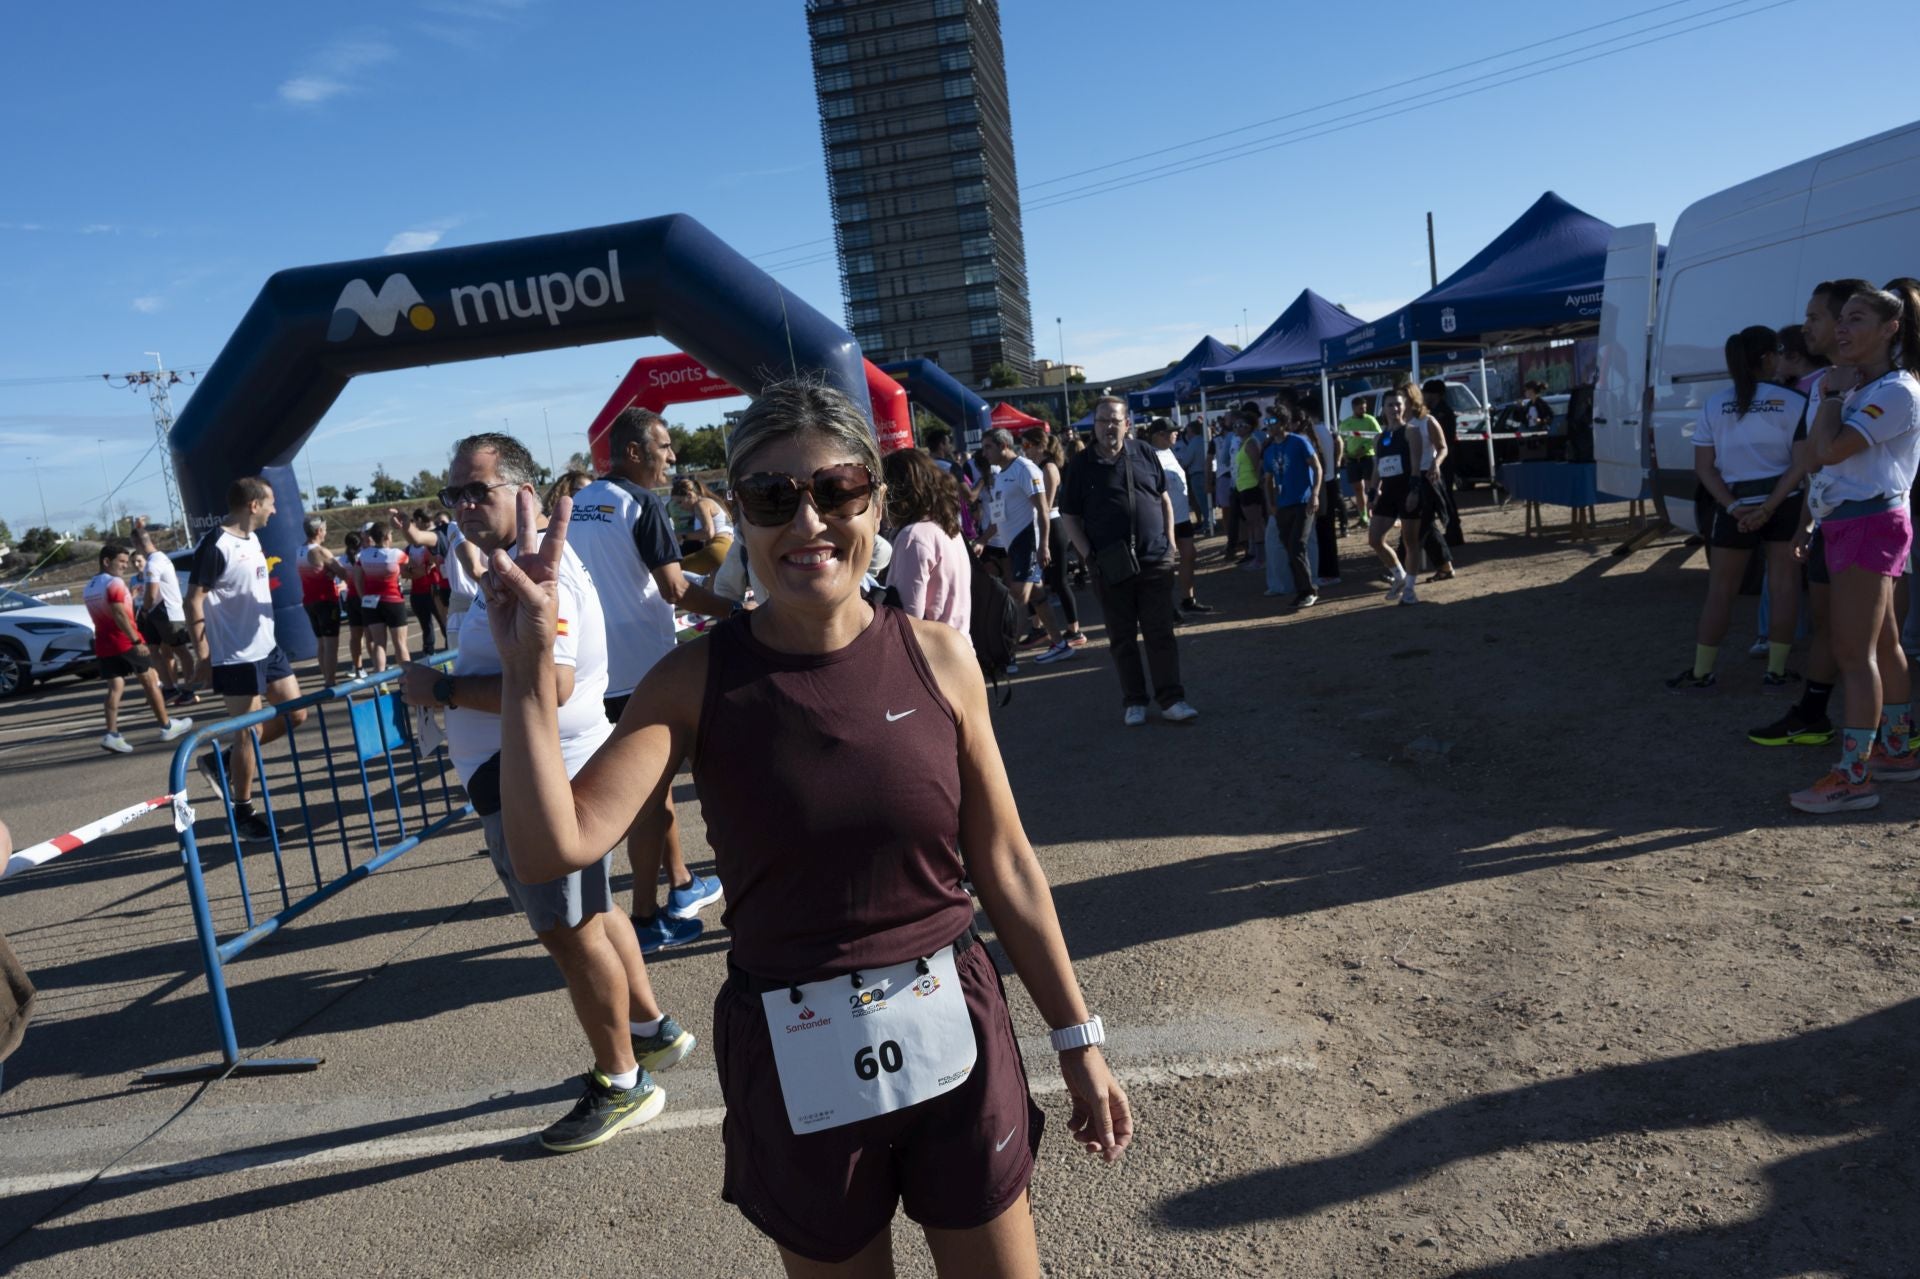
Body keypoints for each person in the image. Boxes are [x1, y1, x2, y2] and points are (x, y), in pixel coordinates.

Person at [482, 379, 1131, 1270]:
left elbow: (1007, 863)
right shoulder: (693, 680)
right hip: (794, 1053)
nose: (808, 523)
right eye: (772, 497)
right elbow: (552, 845)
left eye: (835, 491)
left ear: (874, 497)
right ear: (737, 514)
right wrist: (525, 674)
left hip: (956, 1032)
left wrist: (1077, 1036)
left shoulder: (939, 654)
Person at [401, 431, 695, 1151]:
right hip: (533, 775)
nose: (465, 504)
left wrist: (437, 687)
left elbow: (551, 681)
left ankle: (622, 1080)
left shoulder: (545, 574)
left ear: (524, 494)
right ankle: (652, 1030)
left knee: (570, 933)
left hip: (536, 780)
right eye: (456, 492)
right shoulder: (512, 568)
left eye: (481, 489)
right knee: (595, 915)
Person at [568, 407, 731, 951]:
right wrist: (740, 613)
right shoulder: (641, 502)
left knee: (651, 795)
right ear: (635, 452)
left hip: (596, 674)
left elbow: (627, 574)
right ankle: (643, 918)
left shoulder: (581, 501)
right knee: (645, 798)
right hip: (645, 671)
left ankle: (681, 885)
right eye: (664, 447)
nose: (673, 458)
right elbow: (674, 591)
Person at [1788, 283, 1920, 813]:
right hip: (1854, 520)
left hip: (1870, 522)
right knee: (1883, 644)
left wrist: (1832, 398)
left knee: (1853, 653)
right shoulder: (1868, 386)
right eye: (1840, 319)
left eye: (1856, 319)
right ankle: (1896, 751)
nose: (1841, 329)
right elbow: (1812, 453)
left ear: (1891, 329)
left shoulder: (1894, 391)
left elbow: (1825, 452)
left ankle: (1853, 776)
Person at [1665, 326, 1808, 692]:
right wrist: (1769, 507)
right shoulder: (1794, 402)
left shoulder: (1716, 403)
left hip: (1733, 507)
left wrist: (1733, 508)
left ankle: (1701, 672)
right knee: (1783, 586)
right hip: (1785, 502)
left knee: (1721, 590)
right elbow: (1801, 465)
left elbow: (1704, 467)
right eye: (1777, 351)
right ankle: (1776, 671)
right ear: (1767, 358)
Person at [1061, 396, 1199, 726]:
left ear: (1127, 424)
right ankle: (1135, 700)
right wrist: (1089, 556)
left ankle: (1172, 699)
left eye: (1114, 420)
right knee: (1122, 637)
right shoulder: (1081, 465)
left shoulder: (1144, 453)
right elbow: (1069, 515)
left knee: (1160, 632)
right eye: (1102, 420)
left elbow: (1163, 499)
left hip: (1154, 559)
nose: (1108, 426)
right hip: (1110, 565)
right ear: (1093, 425)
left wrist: (1168, 544)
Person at [186, 477, 310, 842]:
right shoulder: (216, 544)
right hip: (236, 656)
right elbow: (193, 600)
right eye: (270, 503)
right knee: (248, 734)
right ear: (253, 505)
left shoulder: (253, 538)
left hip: (267, 648)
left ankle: (222, 761)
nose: (275, 509)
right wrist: (204, 655)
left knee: (296, 713)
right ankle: (242, 812)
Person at [86, 542, 194, 754]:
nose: (125, 566)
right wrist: (136, 640)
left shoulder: (91, 585)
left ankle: (112, 733)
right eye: (122, 562)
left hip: (105, 643)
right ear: (107, 562)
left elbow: (110, 608)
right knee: (151, 680)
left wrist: (131, 597)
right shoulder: (114, 582)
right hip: (125, 641)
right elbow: (118, 613)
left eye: (127, 562)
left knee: (115, 688)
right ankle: (167, 726)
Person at [979, 428, 1061, 655]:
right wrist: (982, 540)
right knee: (1038, 597)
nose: (984, 453)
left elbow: (1043, 509)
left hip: (1028, 543)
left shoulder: (1024, 469)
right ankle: (1060, 643)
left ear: (1004, 445)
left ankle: (1008, 655)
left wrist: (1043, 544)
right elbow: (999, 515)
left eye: (988, 447)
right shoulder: (999, 473)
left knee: (1018, 597)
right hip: (1012, 546)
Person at [1367, 385, 1446, 606]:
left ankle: (1410, 589)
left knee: (1411, 542)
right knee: (1374, 539)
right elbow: (1377, 469)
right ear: (1383, 409)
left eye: (1398, 404)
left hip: (1408, 489)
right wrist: (1373, 492)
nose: (1394, 409)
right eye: (1390, 405)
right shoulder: (1379, 438)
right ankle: (1399, 575)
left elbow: (1414, 466)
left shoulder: (1411, 431)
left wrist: (1413, 491)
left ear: (1405, 407)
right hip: (1388, 492)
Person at [882, 447, 972, 633]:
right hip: (959, 649)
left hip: (931, 656)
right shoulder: (946, 527)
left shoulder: (913, 536)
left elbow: (908, 617)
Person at [1021, 427, 1090, 660]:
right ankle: (1039, 627)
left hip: (1053, 526)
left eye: (1027, 445)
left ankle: (1074, 629)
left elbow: (1046, 506)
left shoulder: (1049, 467)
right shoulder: (1038, 467)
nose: (1024, 449)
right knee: (1042, 580)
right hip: (1044, 527)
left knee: (1059, 581)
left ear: (1040, 445)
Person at [1145, 418, 1212, 616]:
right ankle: (1167, 606)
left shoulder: (1169, 452)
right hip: (1163, 520)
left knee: (1189, 556)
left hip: (1181, 517)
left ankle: (1187, 599)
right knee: (1166, 565)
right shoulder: (1150, 456)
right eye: (1172, 431)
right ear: (1159, 435)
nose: (1176, 434)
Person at [1261, 408, 1323, 608]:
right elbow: (1268, 479)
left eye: (1272, 420)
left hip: (1303, 501)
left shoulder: (1299, 442)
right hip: (1283, 505)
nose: (1268, 424)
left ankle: (1309, 590)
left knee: (1298, 545)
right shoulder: (1269, 449)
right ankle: (1301, 589)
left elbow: (1317, 467)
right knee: (1289, 547)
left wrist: (1315, 494)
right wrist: (1270, 503)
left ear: (1282, 422)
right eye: (1267, 420)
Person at [131, 517, 195, 704]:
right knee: (153, 650)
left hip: (166, 611)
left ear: (137, 544)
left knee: (181, 651)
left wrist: (143, 610)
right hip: (156, 613)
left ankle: (190, 689)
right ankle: (169, 688)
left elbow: (152, 593)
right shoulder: (159, 558)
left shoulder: (154, 563)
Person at [298, 516, 350, 687]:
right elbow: (343, 573)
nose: (326, 532)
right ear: (319, 531)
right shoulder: (321, 551)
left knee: (321, 642)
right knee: (331, 643)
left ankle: (327, 677)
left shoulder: (299, 550)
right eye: (325, 529)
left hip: (309, 601)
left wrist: (330, 572)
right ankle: (330, 681)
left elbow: (319, 571)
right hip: (325, 601)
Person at [356, 522, 411, 672]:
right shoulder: (396, 554)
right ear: (387, 536)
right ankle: (407, 678)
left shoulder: (363, 555)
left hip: (370, 602)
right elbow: (408, 569)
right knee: (400, 643)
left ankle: (381, 682)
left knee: (379, 643)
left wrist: (363, 597)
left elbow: (357, 578)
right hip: (393, 600)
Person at [1304, 398, 1343, 583]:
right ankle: (1330, 571)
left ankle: (1327, 572)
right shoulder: (1325, 430)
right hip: (1328, 482)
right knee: (1326, 531)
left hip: (1321, 486)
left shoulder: (1313, 433)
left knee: (1322, 532)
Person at [672, 476, 736, 576]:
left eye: (680, 502)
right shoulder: (708, 502)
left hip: (718, 549)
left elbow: (708, 533)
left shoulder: (701, 504)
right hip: (727, 550)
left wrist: (683, 536)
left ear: (689, 495)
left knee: (673, 572)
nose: (680, 507)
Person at [1232, 407, 1268, 568]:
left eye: (1242, 425)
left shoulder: (1251, 443)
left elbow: (1257, 465)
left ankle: (1260, 557)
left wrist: (1260, 485)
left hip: (1251, 487)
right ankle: (1255, 554)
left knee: (1256, 522)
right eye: (1236, 425)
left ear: (1250, 427)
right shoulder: (1243, 442)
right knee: (1251, 523)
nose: (1238, 428)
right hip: (1244, 487)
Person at [1338, 395, 1381, 524]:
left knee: (1370, 487)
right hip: (1352, 460)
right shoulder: (1346, 423)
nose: (1363, 410)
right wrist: (1344, 454)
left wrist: (1365, 447)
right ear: (1353, 408)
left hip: (1367, 457)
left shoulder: (1371, 420)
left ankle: (1374, 513)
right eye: (1360, 408)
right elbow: (1342, 440)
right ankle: (1363, 516)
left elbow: (1378, 436)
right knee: (1357, 488)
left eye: (1365, 408)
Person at [340, 530, 369, 678]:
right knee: (370, 635)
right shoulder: (364, 556)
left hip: (350, 599)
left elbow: (341, 579)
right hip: (364, 598)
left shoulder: (342, 558)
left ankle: (357, 667)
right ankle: (378, 666)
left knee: (355, 636)